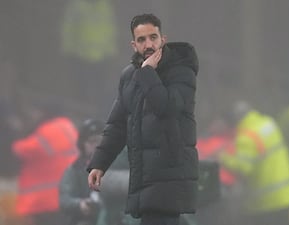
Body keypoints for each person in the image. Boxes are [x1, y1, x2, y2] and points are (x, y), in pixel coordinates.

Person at [87, 13, 199, 225]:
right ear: (133, 44)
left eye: (153, 37)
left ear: (162, 39)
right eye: (141, 39)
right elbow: (117, 125)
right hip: (144, 176)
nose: (148, 44)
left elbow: (166, 108)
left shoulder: (182, 72)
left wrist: (148, 72)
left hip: (170, 176)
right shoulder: (130, 76)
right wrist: (99, 164)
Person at [219, 101, 289, 225]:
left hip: (266, 203)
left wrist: (222, 157)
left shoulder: (246, 137)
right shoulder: (268, 123)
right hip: (288, 195)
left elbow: (243, 168)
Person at [12, 102, 79, 225]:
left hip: (45, 200)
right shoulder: (68, 127)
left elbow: (20, 150)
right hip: (65, 196)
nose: (34, 116)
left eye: (35, 112)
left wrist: (15, 132)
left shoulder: (49, 131)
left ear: (45, 113)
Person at [59, 119, 105, 225]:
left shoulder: (117, 163)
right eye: (92, 141)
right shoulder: (74, 170)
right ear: (82, 145)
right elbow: (64, 199)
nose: (96, 145)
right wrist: (80, 204)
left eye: (99, 140)